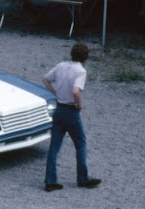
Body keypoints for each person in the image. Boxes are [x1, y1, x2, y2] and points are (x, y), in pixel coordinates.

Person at [42, 42, 101, 191]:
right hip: (71, 111)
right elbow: (76, 91)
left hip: (59, 109)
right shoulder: (81, 71)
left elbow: (45, 79)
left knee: (54, 146)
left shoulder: (61, 65)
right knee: (80, 144)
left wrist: (55, 92)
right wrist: (79, 104)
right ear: (85, 57)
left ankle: (50, 181)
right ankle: (83, 178)